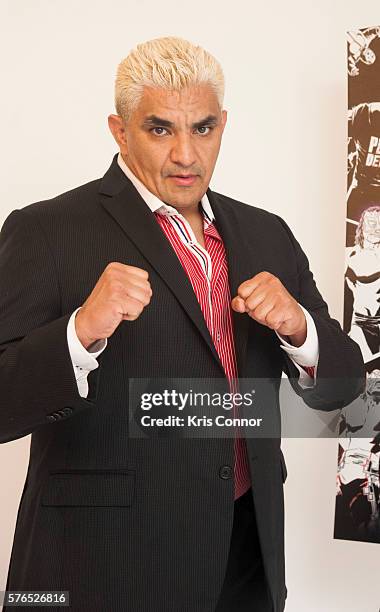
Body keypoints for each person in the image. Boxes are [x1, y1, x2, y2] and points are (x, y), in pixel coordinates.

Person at [0, 36, 365, 612]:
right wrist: (79, 332)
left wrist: (300, 330)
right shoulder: (46, 230)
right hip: (107, 563)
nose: (186, 156)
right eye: (160, 129)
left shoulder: (266, 232)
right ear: (120, 131)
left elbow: (346, 390)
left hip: (247, 551)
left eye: (202, 128)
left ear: (224, 125)